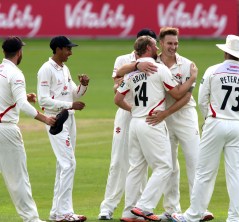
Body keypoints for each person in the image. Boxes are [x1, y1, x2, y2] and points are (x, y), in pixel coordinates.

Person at [116, 27, 213, 221]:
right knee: (170, 166)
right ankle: (171, 209)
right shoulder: (153, 63)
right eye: (169, 43)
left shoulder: (186, 64)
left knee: (194, 160)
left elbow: (185, 97)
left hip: (182, 116)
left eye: (176, 43)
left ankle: (199, 209)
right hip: (159, 119)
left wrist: (160, 113)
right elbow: (119, 72)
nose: (173, 47)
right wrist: (136, 66)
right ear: (159, 43)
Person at [171, 35, 239, 222]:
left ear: (226, 51)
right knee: (235, 174)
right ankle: (234, 217)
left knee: (204, 172)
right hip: (237, 125)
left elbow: (202, 100)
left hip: (215, 121)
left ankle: (193, 215)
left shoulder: (213, 71)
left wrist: (209, 120)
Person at [98, 28, 158, 221]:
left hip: (146, 114)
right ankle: (107, 207)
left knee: (142, 162)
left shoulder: (157, 62)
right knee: (118, 160)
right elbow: (117, 83)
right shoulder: (123, 59)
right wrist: (136, 68)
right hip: (126, 112)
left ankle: (138, 208)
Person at [0, 36, 56, 222]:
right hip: (6, 130)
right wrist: (44, 118)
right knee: (18, 178)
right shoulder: (15, 73)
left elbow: (8, 96)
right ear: (19, 52)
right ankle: (31, 219)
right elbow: (22, 105)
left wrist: (22, 96)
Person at [37, 36, 89, 222]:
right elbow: (43, 100)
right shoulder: (46, 69)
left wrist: (83, 85)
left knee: (63, 165)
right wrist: (69, 105)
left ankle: (56, 212)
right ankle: (64, 213)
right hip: (55, 120)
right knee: (69, 164)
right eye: (68, 49)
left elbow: (74, 94)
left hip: (69, 118)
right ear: (58, 49)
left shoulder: (64, 68)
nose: (70, 52)